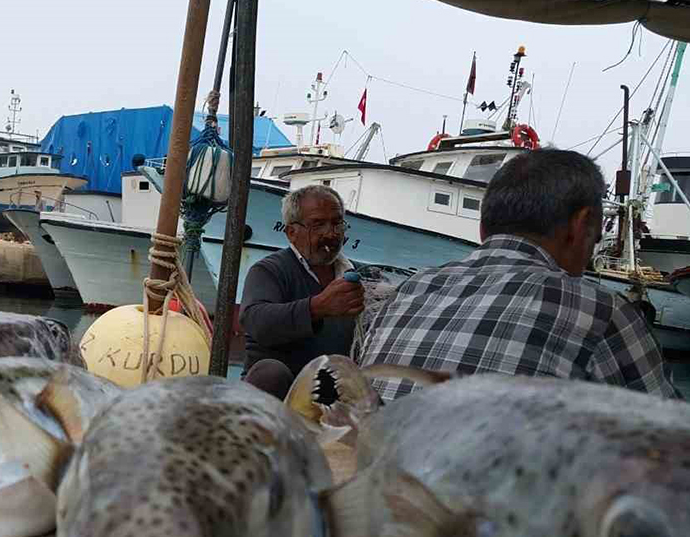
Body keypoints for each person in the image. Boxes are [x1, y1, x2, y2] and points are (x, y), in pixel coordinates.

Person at [358, 148, 681, 402]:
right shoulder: (601, 311)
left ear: (483, 227)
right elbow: (671, 438)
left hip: (377, 478)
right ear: (582, 225)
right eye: (596, 236)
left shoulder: (409, 289)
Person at [239, 184, 364, 398]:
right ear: (291, 232)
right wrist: (317, 307)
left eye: (337, 223)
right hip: (279, 398)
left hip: (331, 396)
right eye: (318, 225)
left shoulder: (357, 275)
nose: (331, 234)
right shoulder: (269, 271)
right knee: (270, 372)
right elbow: (255, 320)